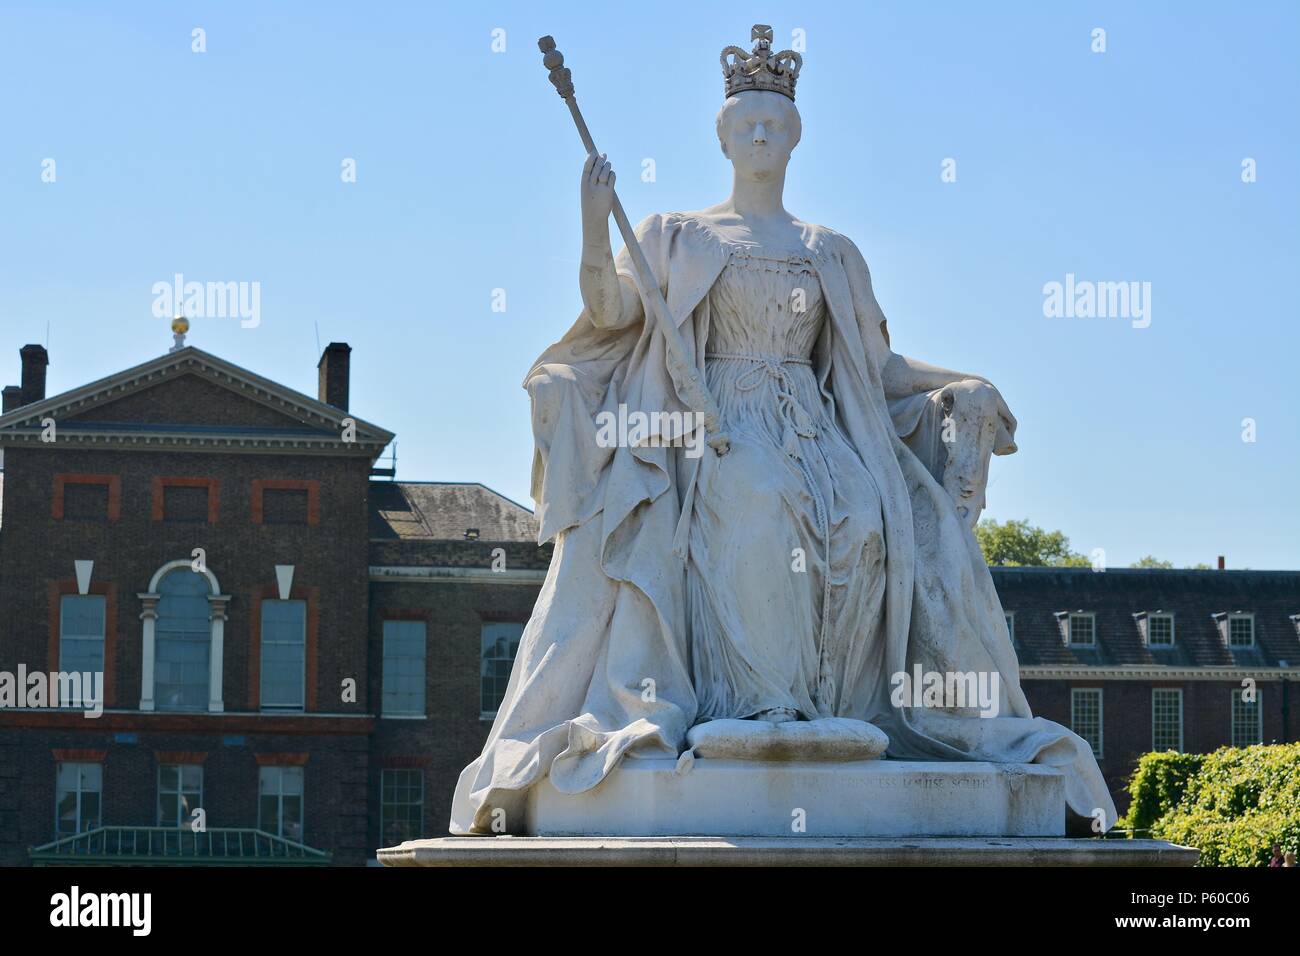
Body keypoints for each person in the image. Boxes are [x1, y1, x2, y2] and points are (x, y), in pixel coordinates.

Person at [449, 24, 1114, 836]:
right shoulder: (675, 233)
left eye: (774, 124)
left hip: (815, 422)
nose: (761, 134)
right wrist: (594, 225)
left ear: (795, 138)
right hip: (713, 424)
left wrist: (964, 382)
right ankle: (756, 707)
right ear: (723, 137)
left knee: (868, 519)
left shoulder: (829, 250)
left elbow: (878, 372)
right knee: (757, 503)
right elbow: (612, 314)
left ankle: (828, 709)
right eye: (746, 124)